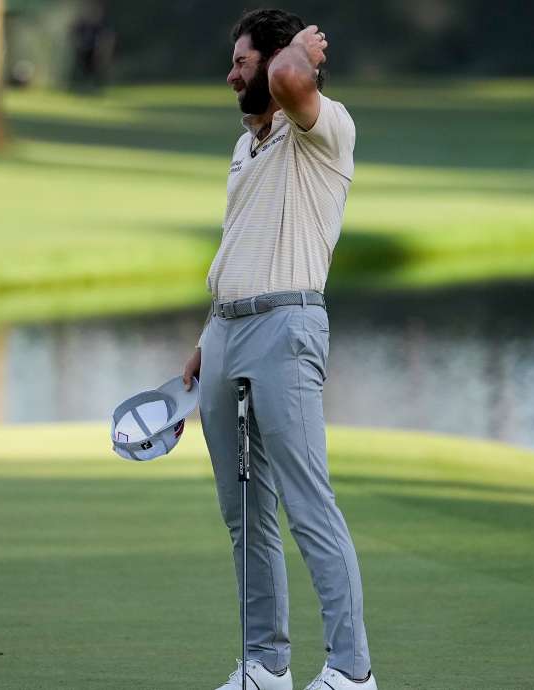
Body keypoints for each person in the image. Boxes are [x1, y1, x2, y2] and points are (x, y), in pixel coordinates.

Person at [179, 8, 376, 690]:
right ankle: (265, 664)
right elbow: (237, 247)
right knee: (246, 513)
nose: (229, 74)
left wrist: (295, 50)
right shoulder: (245, 147)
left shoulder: (325, 129)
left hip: (287, 330)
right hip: (228, 331)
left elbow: (293, 78)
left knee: (307, 501)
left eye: (241, 61)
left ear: (275, 62)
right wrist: (209, 334)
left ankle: (353, 671)